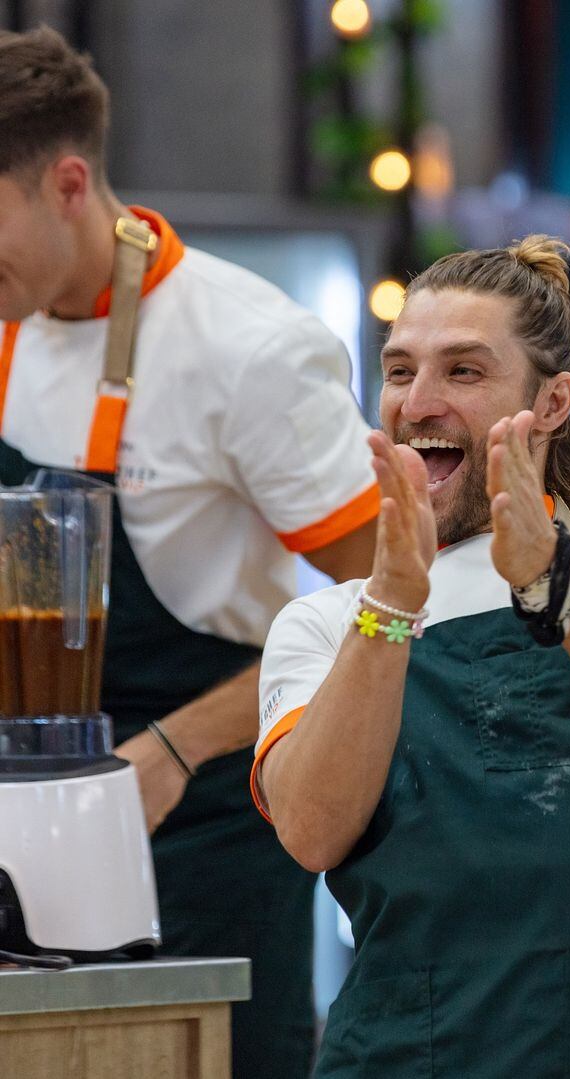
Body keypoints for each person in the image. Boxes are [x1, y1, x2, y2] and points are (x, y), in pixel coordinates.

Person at [253, 235, 570, 1077]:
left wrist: (558, 580)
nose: (418, 402)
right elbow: (312, 831)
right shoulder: (327, 624)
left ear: (555, 400)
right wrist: (389, 604)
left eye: (463, 371)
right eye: (398, 370)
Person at [0, 26, 380, 1078]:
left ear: (68, 183)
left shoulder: (248, 347)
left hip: (201, 830)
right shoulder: (7, 312)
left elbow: (394, 607)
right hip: (18, 817)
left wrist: (174, 748)